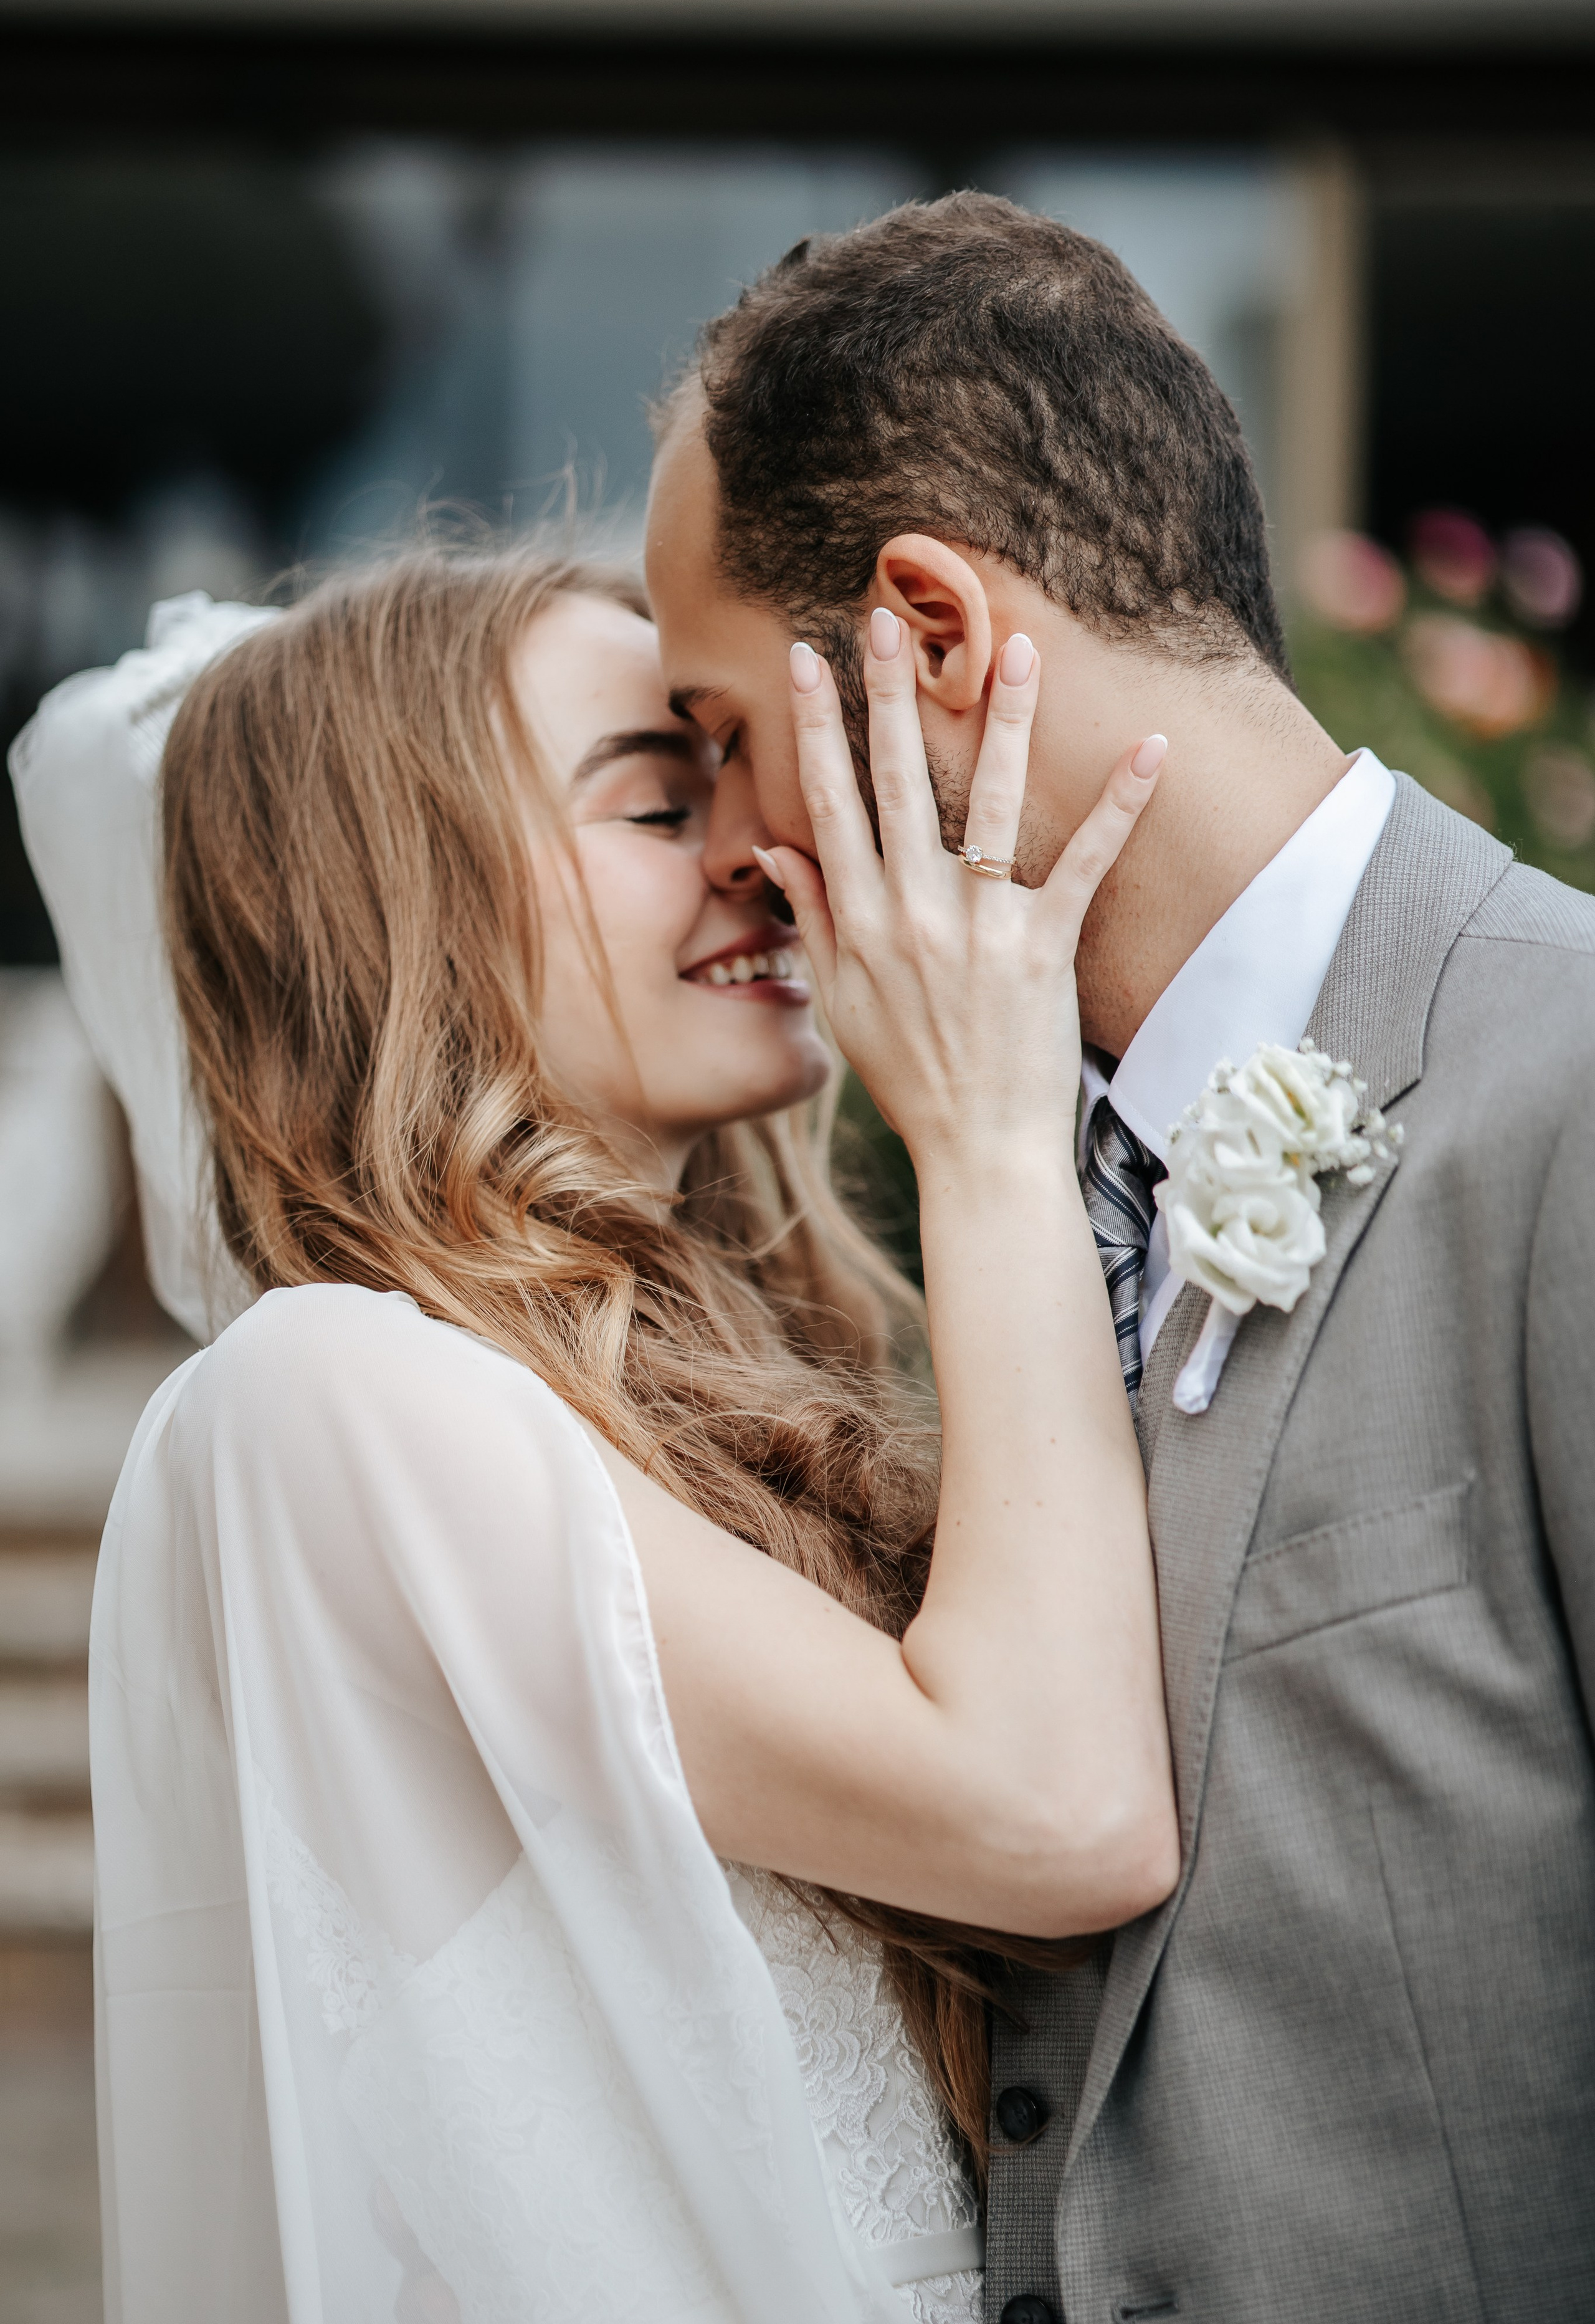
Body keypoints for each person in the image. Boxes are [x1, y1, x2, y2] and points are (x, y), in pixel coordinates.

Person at [11, 546, 1178, 2324]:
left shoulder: (687, 1395)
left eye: (739, 775)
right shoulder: (327, 1398)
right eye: (656, 797)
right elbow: (1059, 1810)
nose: (763, 851)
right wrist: (996, 1137)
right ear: (397, 902)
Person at [645, 191, 1595, 2323]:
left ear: (932, 636)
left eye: (719, 735)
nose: (724, 851)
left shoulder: (1578, 1090)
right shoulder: (981, 1163)